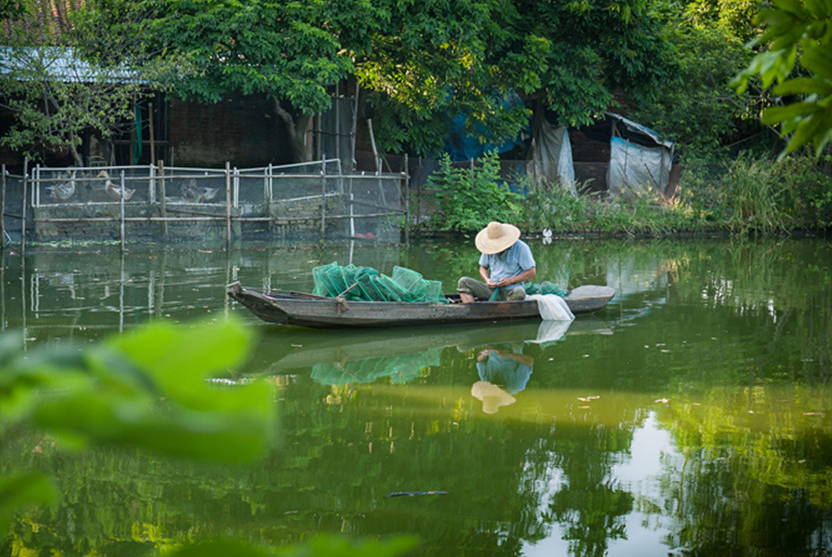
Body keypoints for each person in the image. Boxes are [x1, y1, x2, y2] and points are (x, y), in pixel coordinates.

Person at [457, 221, 536, 303]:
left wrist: (510, 280)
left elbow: (531, 272)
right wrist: (487, 280)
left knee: (519, 293)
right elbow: (483, 267)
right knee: (463, 282)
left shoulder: (521, 248)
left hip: (511, 291)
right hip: (492, 291)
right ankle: (472, 313)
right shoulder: (488, 247)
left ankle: (505, 312)